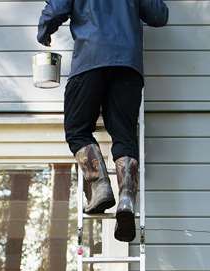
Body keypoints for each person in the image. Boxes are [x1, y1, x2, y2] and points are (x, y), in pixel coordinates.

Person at [37, 0, 169, 242]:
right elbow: (159, 15)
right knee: (124, 135)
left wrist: (44, 29)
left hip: (90, 59)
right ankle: (126, 200)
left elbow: (57, 8)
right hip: (128, 66)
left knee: (77, 130)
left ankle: (100, 186)